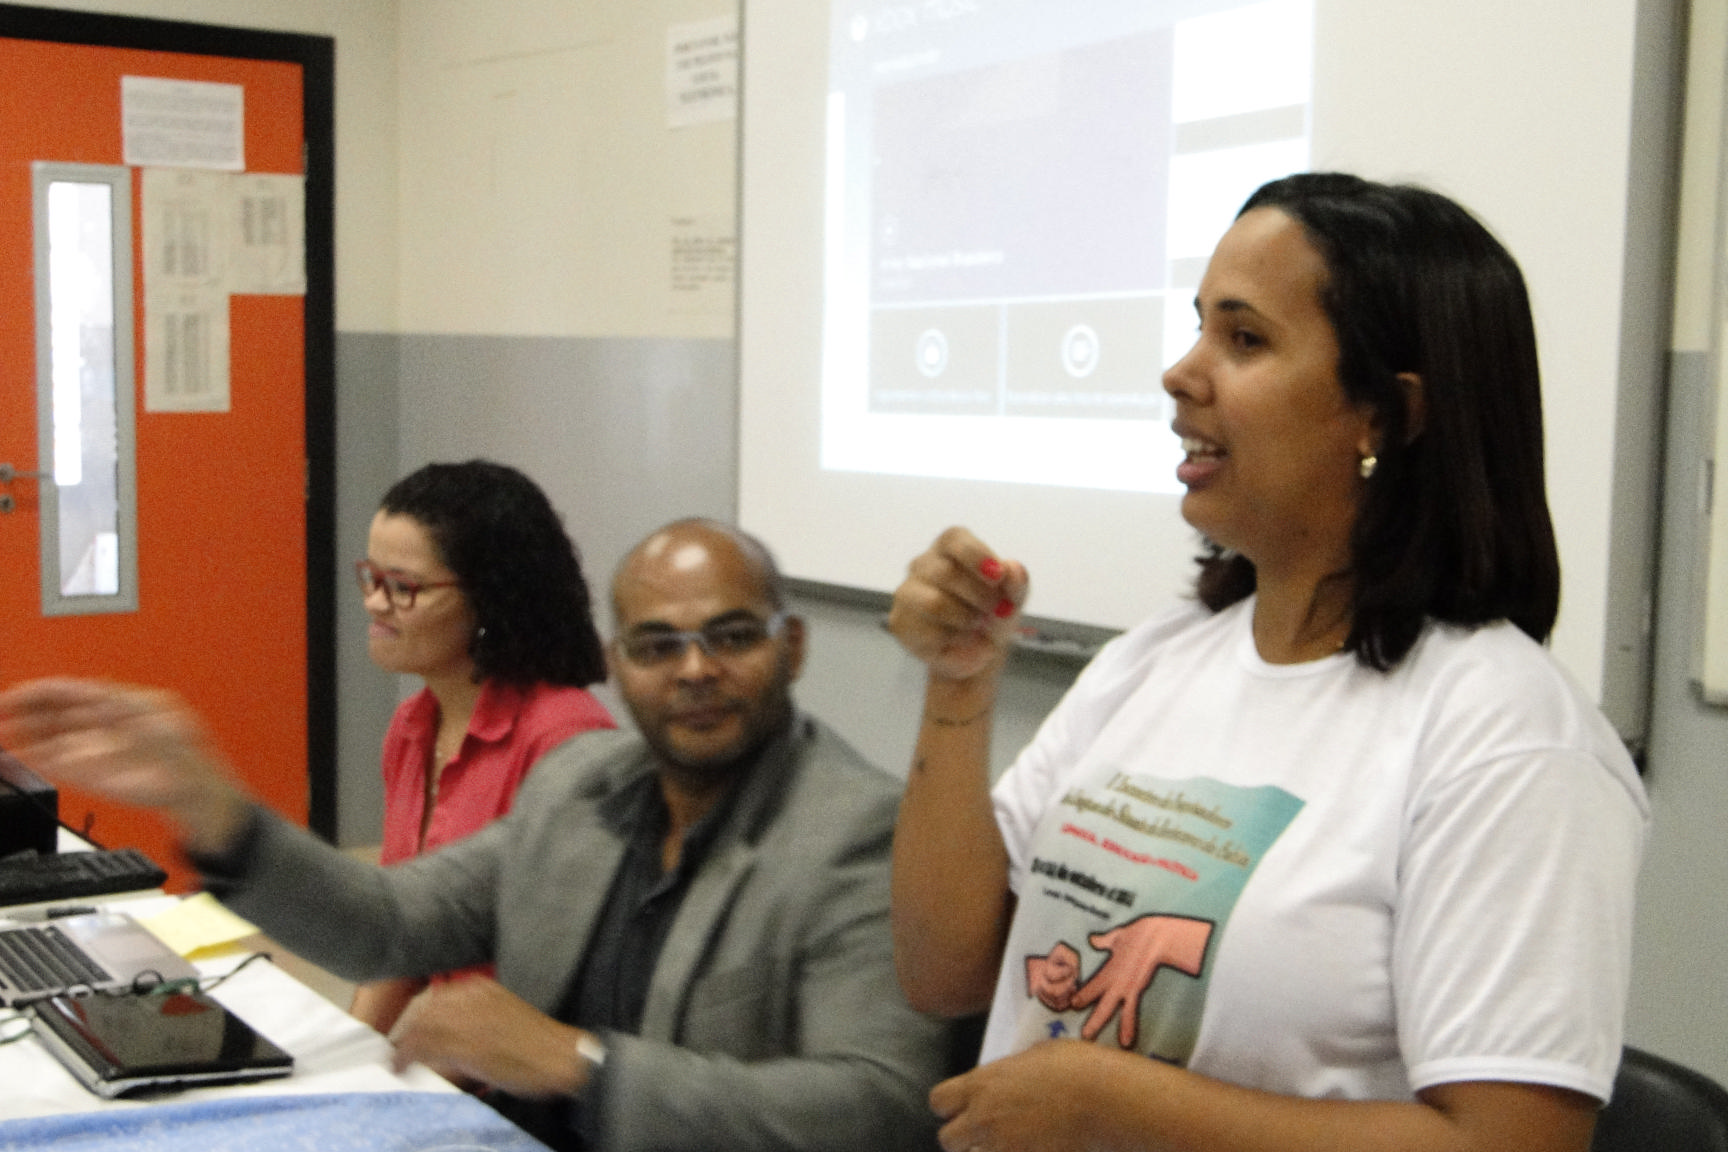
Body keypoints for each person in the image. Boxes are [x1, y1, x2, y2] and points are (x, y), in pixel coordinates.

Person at [886, 173, 1649, 1152]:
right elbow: (942, 973)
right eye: (1199, 327)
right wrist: (959, 688)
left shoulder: (1510, 738)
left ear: (1386, 415)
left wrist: (1119, 1106)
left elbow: (1511, 1144)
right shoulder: (1156, 659)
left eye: (1243, 339)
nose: (1180, 373)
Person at [0, 518, 951, 1152]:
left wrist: (582, 1066)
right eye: (658, 645)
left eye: (732, 636)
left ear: (792, 646)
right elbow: (387, 922)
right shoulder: (585, 785)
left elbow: (880, 1105)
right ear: (619, 663)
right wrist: (211, 803)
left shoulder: (857, 831)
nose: (695, 670)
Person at [350, 460, 615, 1033]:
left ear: (490, 599)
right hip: (456, 1054)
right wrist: (343, 1054)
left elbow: (563, 986)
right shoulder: (410, 726)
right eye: (370, 577)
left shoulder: (567, 742)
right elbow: (403, 937)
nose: (374, 603)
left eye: (402, 587)